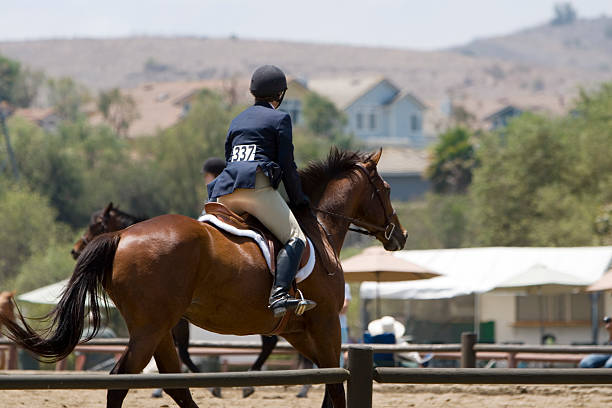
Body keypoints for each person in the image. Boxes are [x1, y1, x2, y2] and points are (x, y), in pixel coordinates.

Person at [207, 64, 315, 318]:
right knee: (296, 237)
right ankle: (279, 295)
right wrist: (298, 198)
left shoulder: (237, 119)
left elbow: (228, 156)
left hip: (225, 191)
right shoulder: (280, 118)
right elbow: (287, 165)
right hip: (256, 189)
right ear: (279, 94)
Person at [339, 283, 351, 367]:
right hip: (320, 327)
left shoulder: (344, 285)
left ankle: (337, 379)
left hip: (340, 327)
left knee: (339, 356)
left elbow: (344, 308)